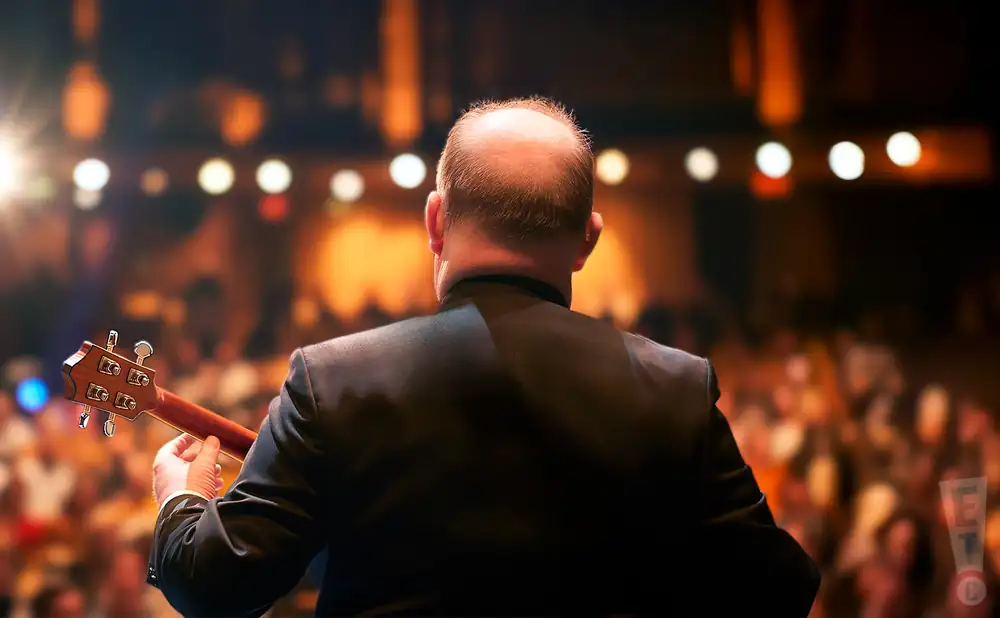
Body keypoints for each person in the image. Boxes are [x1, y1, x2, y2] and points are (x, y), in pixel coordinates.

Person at [147, 96, 820, 617]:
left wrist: (181, 499)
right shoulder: (674, 388)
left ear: (435, 221)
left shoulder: (333, 381)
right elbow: (779, 589)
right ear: (587, 240)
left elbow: (216, 585)